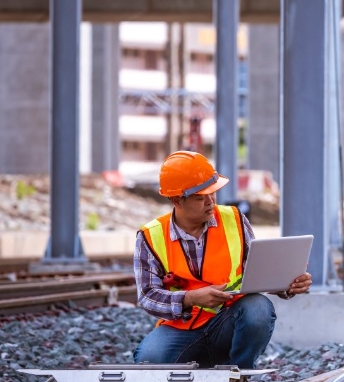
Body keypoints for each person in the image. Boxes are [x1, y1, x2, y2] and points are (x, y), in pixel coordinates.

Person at [133, 151, 312, 367]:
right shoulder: (150, 236)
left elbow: (256, 273)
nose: (210, 201)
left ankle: (240, 373)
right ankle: (200, 368)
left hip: (229, 321)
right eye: (201, 197)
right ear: (176, 200)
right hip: (182, 327)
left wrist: (288, 284)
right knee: (149, 360)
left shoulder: (234, 220)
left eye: (213, 192)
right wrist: (191, 298)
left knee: (257, 308)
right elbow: (148, 296)